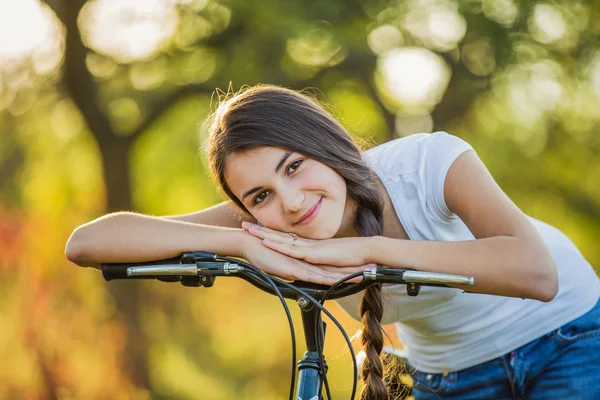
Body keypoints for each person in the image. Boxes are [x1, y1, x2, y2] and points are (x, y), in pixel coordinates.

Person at [66, 85, 600, 400]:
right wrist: (242, 245)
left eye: (295, 166)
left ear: (326, 143)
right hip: (449, 374)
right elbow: (88, 242)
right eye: (260, 195)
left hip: (567, 338)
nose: (292, 202)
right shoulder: (263, 222)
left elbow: (536, 273)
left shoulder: (427, 164)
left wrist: (372, 251)